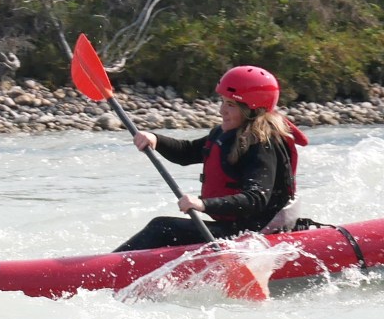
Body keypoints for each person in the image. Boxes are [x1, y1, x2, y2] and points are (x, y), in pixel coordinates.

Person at [113, 65, 309, 252]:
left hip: (256, 231)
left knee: (162, 227)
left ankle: (97, 273)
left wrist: (203, 204)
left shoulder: (263, 145)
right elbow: (187, 152)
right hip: (234, 225)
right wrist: (156, 139)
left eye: (230, 105)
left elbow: (256, 198)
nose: (221, 110)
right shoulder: (226, 134)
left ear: (252, 110)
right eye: (222, 101)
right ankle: (104, 266)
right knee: (163, 227)